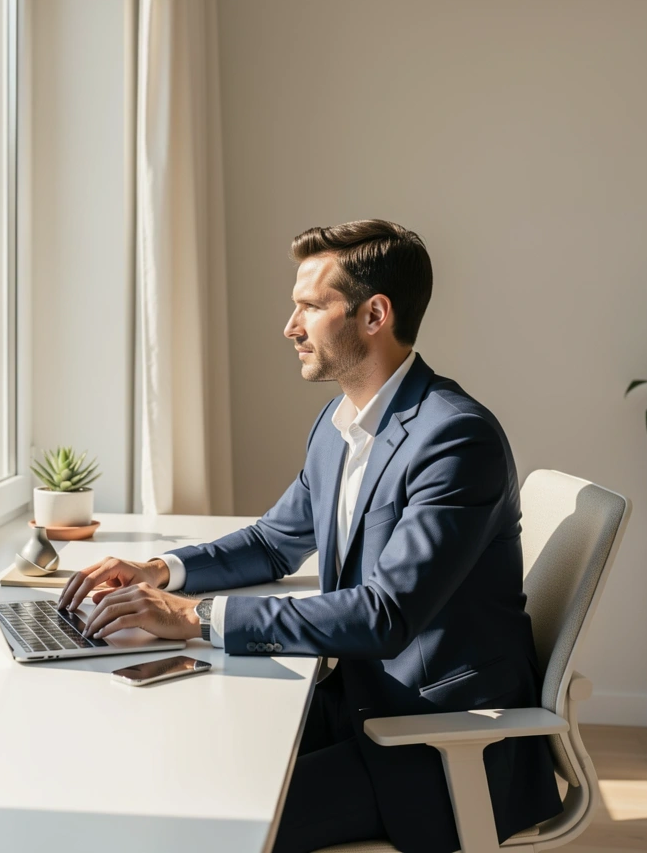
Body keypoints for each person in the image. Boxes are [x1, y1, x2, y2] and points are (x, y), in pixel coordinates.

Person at [59, 220, 562, 853]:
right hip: (353, 701)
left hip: (428, 743)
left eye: (310, 307)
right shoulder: (341, 420)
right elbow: (276, 540)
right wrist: (159, 573)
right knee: (164, 767)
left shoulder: (455, 438)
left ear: (374, 314)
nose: (290, 327)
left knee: (209, 825)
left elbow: (386, 614)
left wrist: (197, 618)